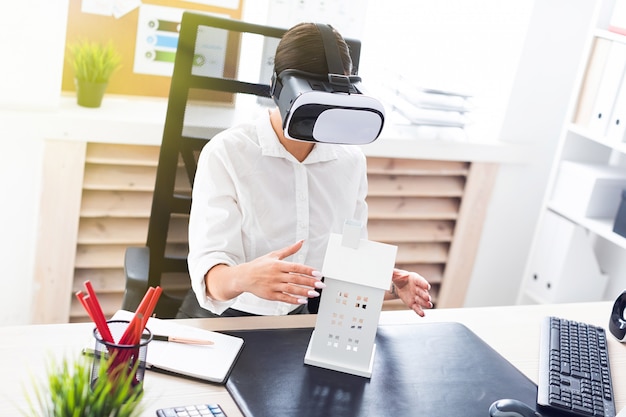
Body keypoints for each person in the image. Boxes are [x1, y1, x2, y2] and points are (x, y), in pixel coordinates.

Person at [177, 22, 433, 319]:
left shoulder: (349, 161)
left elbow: (348, 257)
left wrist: (390, 284)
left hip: (301, 319)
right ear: (280, 89)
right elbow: (210, 278)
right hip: (227, 319)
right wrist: (246, 277)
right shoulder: (227, 153)